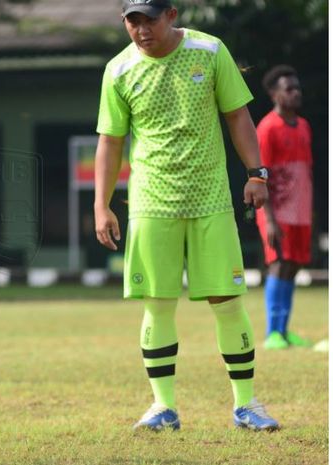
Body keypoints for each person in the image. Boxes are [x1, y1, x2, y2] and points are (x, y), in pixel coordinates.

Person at [94, 0, 279, 431]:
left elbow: (237, 115)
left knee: (228, 302)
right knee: (157, 305)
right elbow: (110, 140)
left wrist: (257, 174)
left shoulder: (210, 50)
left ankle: (247, 405)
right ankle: (163, 407)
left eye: (150, 19)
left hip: (211, 200)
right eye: (132, 21)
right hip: (151, 203)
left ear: (172, 15)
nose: (142, 30)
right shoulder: (118, 71)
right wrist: (101, 205)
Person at [256, 65, 313, 350]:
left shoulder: (303, 126)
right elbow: (259, 174)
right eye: (289, 88)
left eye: (297, 87)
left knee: (293, 266)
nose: (295, 92)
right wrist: (268, 219)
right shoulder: (267, 129)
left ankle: (285, 330)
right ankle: (272, 332)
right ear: (274, 94)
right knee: (279, 266)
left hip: (300, 211)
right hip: (276, 212)